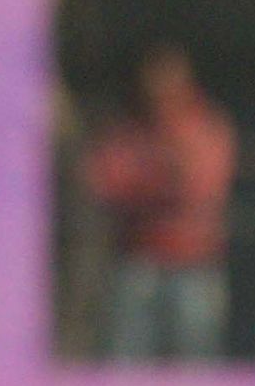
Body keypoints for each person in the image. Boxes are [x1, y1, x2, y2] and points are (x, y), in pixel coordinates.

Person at [83, 47, 237, 365]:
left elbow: (199, 187)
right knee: (122, 366)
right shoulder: (127, 129)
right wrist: (160, 177)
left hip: (194, 265)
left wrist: (148, 178)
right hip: (137, 260)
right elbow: (104, 180)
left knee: (195, 370)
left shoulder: (206, 127)